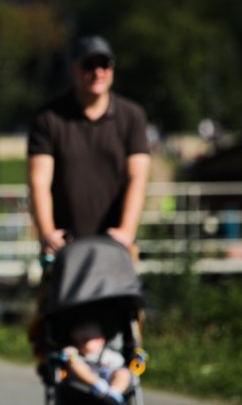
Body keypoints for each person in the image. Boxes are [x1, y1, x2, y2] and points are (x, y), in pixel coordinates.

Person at [27, 35, 150, 258]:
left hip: (116, 243)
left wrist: (126, 232)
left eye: (104, 64)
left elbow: (138, 178)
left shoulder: (132, 116)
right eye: (89, 65)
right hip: (65, 245)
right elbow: (39, 182)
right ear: (74, 68)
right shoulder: (49, 118)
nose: (98, 72)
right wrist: (47, 234)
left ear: (112, 69)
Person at [60, 319, 132, 405]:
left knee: (124, 373)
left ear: (100, 340)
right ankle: (97, 384)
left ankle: (114, 391)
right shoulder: (77, 356)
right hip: (83, 392)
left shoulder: (111, 356)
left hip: (110, 395)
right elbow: (67, 355)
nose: (80, 344)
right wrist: (70, 352)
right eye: (77, 341)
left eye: (85, 340)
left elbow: (123, 368)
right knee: (76, 365)